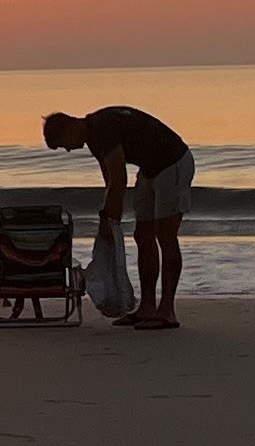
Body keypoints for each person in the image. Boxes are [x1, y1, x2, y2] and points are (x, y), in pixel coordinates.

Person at [45, 105, 193, 328]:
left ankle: (167, 311)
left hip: (173, 162)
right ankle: (147, 307)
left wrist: (110, 219)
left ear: (69, 127)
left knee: (166, 236)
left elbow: (119, 180)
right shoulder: (93, 138)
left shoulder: (102, 128)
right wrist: (108, 220)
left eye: (62, 144)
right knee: (143, 236)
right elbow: (110, 183)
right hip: (149, 170)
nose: (67, 150)